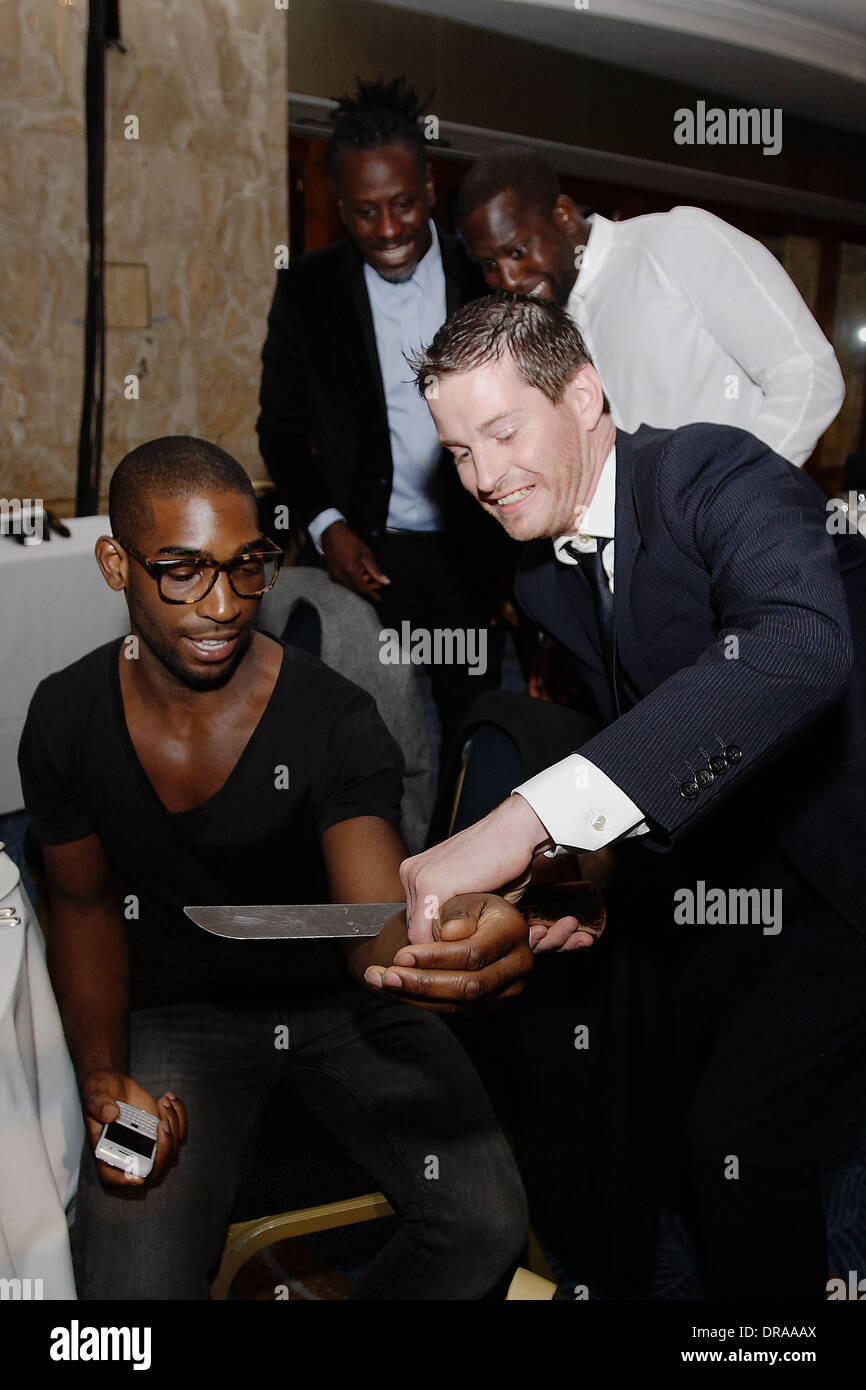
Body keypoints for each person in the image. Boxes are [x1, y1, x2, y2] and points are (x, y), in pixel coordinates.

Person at [391, 293, 866, 1300]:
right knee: (688, 1126)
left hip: (849, 853)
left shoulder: (711, 470)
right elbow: (662, 750)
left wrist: (520, 823)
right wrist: (588, 873)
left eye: (502, 432)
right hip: (748, 876)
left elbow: (800, 650)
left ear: (583, 393)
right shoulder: (546, 581)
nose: (479, 476)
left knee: (740, 1135)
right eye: (457, 450)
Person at [17, 435, 533, 1301]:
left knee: (484, 1224)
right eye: (182, 570)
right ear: (117, 564)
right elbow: (80, 905)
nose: (223, 604)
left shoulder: (330, 719)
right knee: (123, 1298)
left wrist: (445, 953)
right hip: (180, 1012)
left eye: (246, 566)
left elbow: (371, 933)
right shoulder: (67, 717)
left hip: (343, 1007)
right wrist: (104, 1072)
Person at [257, 77, 512, 762]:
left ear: (430, 189)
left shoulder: (484, 275)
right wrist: (325, 524)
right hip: (360, 554)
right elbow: (279, 431)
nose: (391, 229)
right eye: (367, 212)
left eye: (403, 204)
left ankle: (455, 863)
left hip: (469, 552)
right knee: (358, 731)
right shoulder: (307, 291)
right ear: (342, 209)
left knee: (471, 725)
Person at [457, 147, 844, 467]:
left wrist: (734, 493)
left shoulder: (674, 241)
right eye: (489, 265)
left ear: (562, 215)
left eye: (518, 251)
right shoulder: (547, 327)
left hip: (745, 534)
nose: (507, 280)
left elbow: (809, 374)